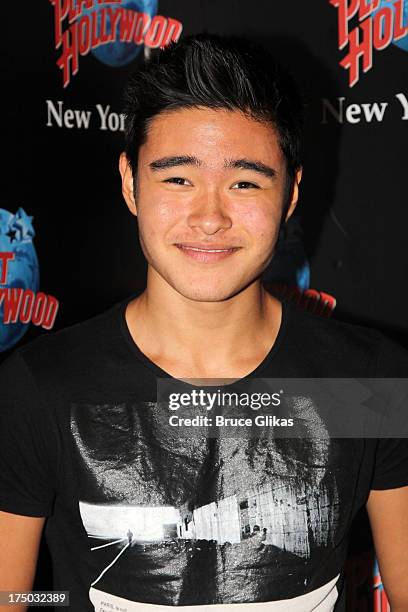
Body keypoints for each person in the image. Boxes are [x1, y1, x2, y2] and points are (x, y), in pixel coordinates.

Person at [0, 33, 407, 612]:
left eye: (244, 182)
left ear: (290, 194)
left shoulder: (368, 383)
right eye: (178, 179)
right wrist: (56, 599)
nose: (210, 217)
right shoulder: (42, 388)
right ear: (129, 182)